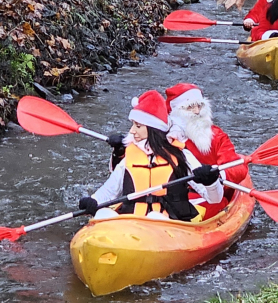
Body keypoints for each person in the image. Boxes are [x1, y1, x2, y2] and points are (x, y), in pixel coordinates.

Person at [78, 90, 224, 222]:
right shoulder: (130, 155)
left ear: (153, 130)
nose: (132, 131)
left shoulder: (180, 156)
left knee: (154, 217)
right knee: (103, 214)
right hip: (133, 223)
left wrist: (210, 181)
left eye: (138, 126)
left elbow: (215, 199)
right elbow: (109, 191)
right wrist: (92, 202)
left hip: (171, 225)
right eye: (133, 125)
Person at [165, 83, 247, 219]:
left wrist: (216, 176)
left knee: (215, 206)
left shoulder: (216, 136)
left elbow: (238, 167)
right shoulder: (162, 137)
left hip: (207, 197)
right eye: (190, 107)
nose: (197, 112)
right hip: (169, 199)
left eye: (200, 106)